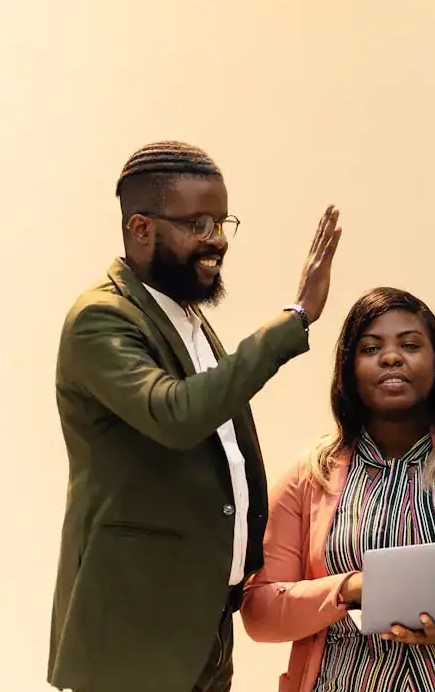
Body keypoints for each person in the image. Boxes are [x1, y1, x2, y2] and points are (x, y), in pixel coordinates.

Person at [47, 141, 342, 692]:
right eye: (198, 223)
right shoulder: (101, 321)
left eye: (222, 220)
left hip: (200, 622)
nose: (218, 240)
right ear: (140, 228)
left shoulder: (184, 317)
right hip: (133, 635)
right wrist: (294, 319)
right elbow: (177, 414)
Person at [240, 287, 435, 692]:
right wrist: (350, 588)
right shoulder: (311, 474)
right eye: (371, 348)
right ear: (348, 371)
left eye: (410, 344)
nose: (391, 357)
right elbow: (261, 610)